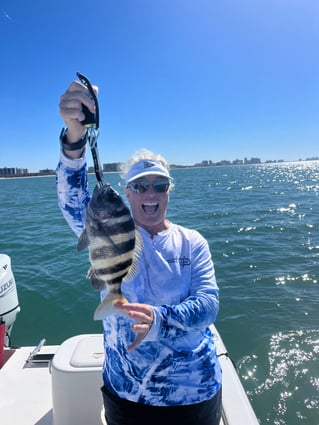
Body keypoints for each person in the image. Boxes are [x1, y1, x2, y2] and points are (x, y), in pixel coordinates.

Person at [56, 78, 222, 425]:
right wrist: (74, 136)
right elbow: (74, 201)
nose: (151, 192)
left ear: (169, 191)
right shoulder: (104, 224)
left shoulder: (192, 242)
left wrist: (159, 320)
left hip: (194, 391)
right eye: (140, 185)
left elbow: (209, 306)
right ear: (127, 193)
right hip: (127, 392)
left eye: (159, 185)